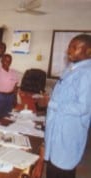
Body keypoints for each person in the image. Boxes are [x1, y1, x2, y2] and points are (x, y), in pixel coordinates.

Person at [45, 34, 91, 178]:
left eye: (74, 47)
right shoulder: (71, 68)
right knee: (52, 170)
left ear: (89, 51)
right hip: (57, 131)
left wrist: (51, 103)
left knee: (62, 171)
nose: (69, 51)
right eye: (69, 47)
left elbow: (82, 107)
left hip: (68, 133)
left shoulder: (87, 73)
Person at [0, 54, 18, 123]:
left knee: (7, 115)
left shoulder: (14, 72)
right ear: (2, 61)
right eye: (6, 61)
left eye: (9, 61)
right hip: (0, 96)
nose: (7, 62)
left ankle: (4, 130)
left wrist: (15, 98)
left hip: (10, 97)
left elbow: (15, 86)